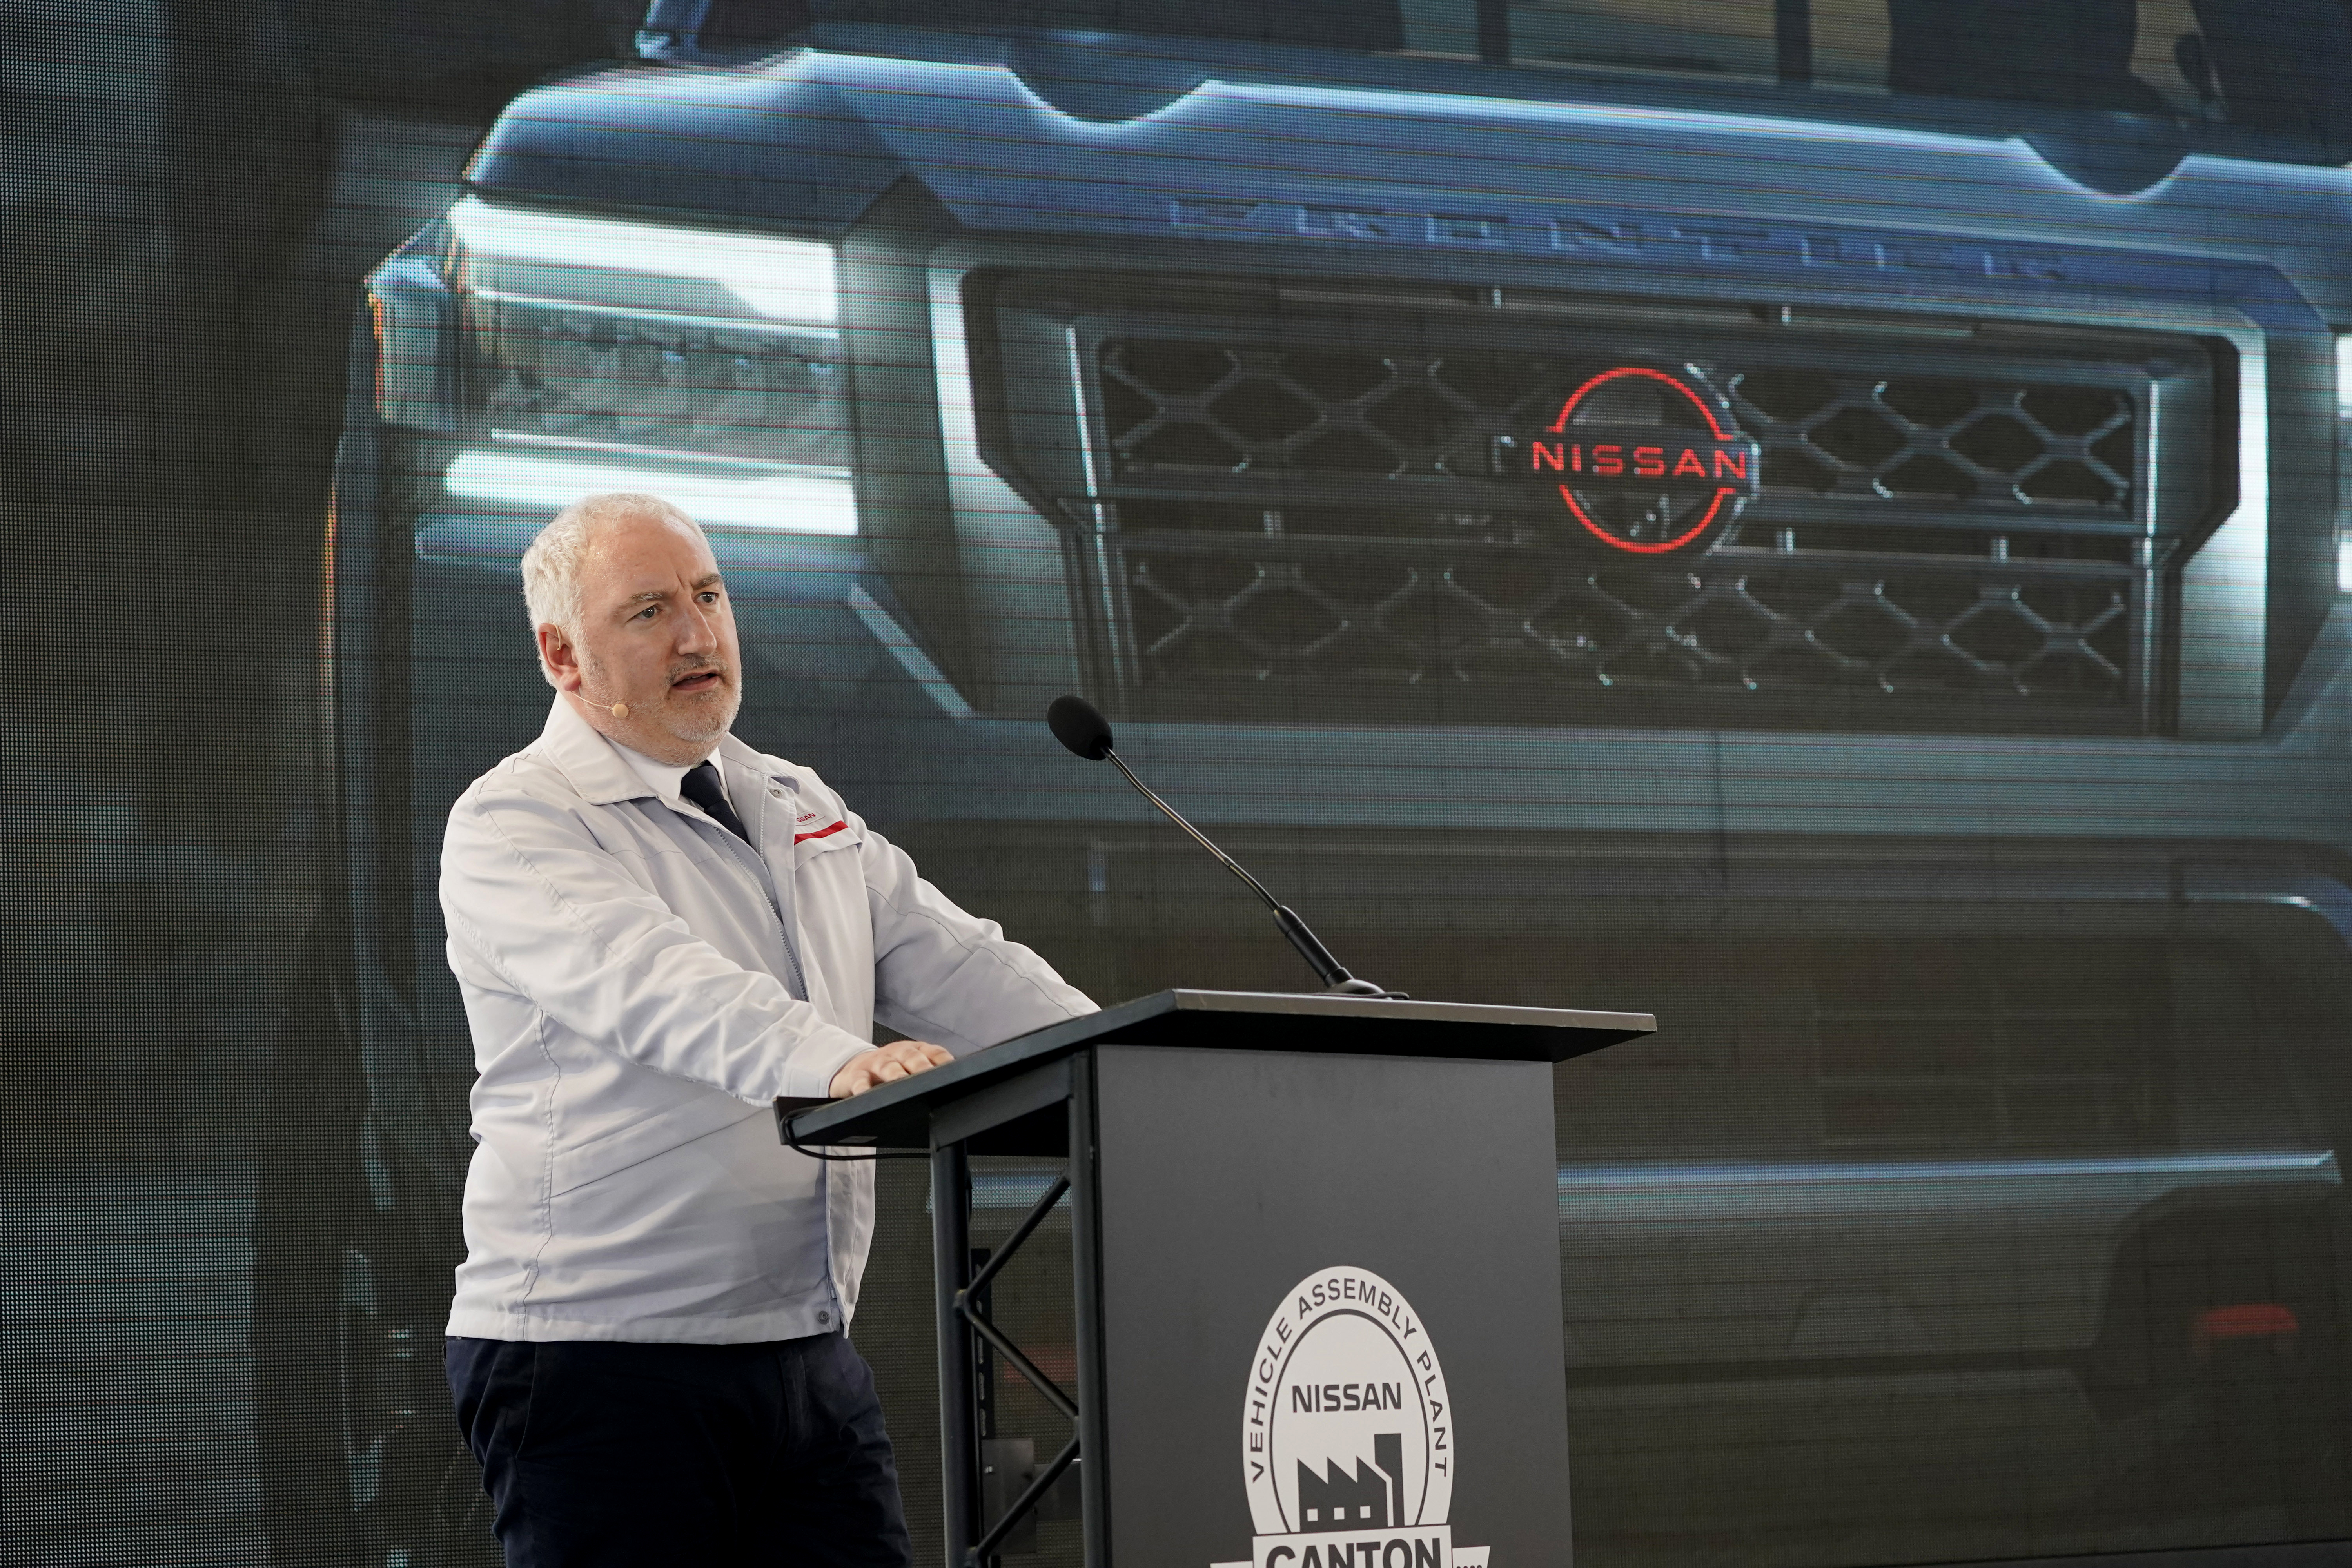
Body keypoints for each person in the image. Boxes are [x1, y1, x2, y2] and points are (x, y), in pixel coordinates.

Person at [437, 491, 1096, 1565]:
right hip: (597, 1361)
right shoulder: (516, 821)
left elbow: (962, 963)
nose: (697, 633)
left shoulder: (799, 802)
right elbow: (653, 984)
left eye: (708, 596)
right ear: (562, 654)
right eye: (648, 611)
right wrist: (839, 1061)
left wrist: (1120, 1063)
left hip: (805, 1356)